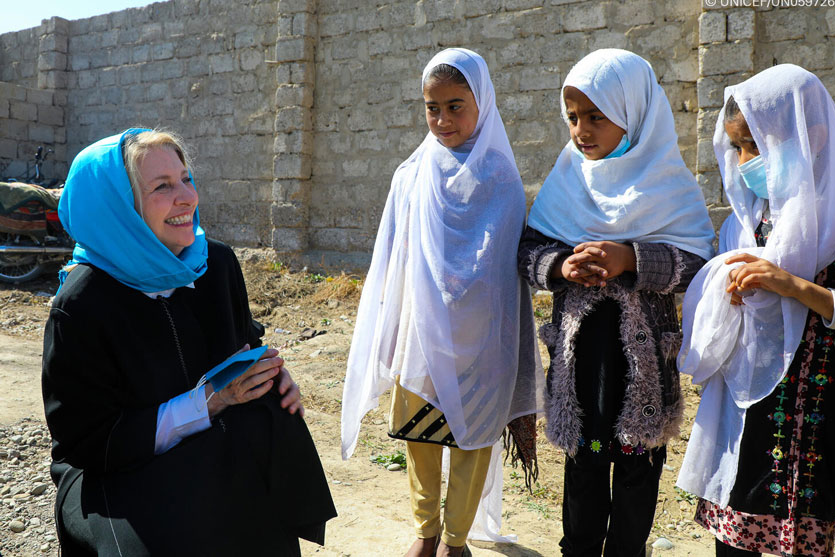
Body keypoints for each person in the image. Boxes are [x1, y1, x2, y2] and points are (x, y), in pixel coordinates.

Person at [43, 129, 336, 556]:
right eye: (162, 187)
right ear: (118, 206)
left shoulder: (214, 264)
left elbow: (243, 347)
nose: (187, 198)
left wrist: (270, 375)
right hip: (117, 467)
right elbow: (88, 443)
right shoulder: (82, 304)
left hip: (210, 441)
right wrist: (205, 404)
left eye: (186, 179)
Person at [341, 48, 543, 557]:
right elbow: (396, 257)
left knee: (474, 435)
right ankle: (425, 529)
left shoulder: (499, 177)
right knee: (421, 432)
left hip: (480, 336)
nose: (442, 119)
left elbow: (499, 265)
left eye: (456, 106)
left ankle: (455, 539)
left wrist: (457, 287)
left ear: (482, 103)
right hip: (423, 330)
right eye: (432, 108)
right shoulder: (411, 175)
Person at [518, 49, 715, 557]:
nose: (581, 131)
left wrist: (631, 258)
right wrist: (561, 266)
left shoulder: (669, 187)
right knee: (584, 460)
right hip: (583, 363)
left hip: (641, 369)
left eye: (595, 117)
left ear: (633, 113)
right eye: (572, 118)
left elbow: (699, 266)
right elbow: (527, 250)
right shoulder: (567, 178)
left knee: (637, 465)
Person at [676, 64, 835, 556]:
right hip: (749, 407)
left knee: (804, 535)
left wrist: (795, 287)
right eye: (737, 148)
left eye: (755, 145)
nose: (745, 161)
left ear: (811, 137)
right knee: (734, 532)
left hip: (818, 410)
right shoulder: (752, 219)